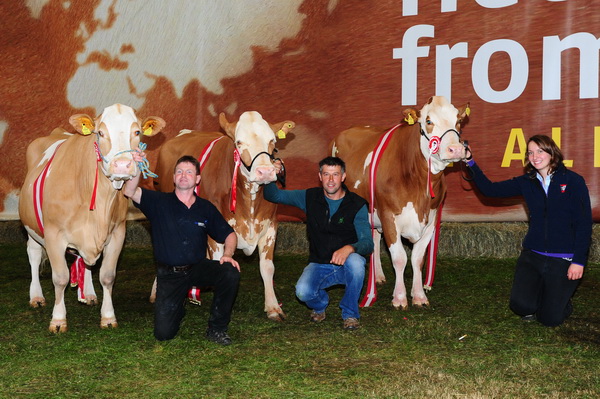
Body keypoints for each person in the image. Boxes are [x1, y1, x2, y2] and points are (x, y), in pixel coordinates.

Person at [464, 135, 592, 327]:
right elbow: (490, 190)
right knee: (521, 306)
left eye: (540, 151)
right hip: (533, 255)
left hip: (562, 258)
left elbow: (584, 223)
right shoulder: (527, 181)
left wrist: (579, 261)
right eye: (531, 152)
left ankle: (560, 302)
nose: (535, 156)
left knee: (550, 319)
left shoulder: (573, 181)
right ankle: (544, 292)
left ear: (552, 153)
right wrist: (469, 161)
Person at [123, 154, 240, 345]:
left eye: (189, 172)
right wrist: (136, 166)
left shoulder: (205, 208)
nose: (183, 175)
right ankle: (177, 306)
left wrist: (228, 255)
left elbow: (230, 234)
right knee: (164, 334)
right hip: (170, 275)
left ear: (197, 179)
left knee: (230, 272)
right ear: (174, 177)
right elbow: (129, 190)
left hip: (197, 267)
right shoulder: (158, 202)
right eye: (179, 171)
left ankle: (217, 329)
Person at [264, 156, 373, 330]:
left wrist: (349, 248)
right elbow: (273, 195)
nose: (331, 180)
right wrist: (271, 173)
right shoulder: (309, 197)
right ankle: (320, 305)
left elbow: (368, 243)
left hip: (348, 265)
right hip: (319, 263)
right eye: (326, 174)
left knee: (357, 263)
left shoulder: (357, 204)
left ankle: (350, 313)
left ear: (343, 177)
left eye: (335, 174)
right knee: (302, 292)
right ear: (320, 176)